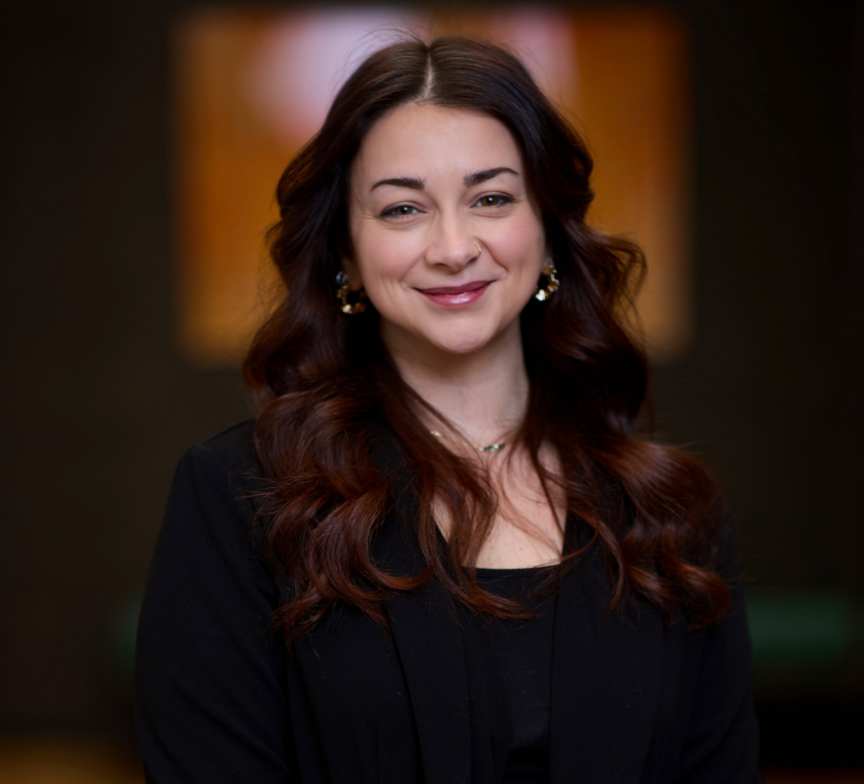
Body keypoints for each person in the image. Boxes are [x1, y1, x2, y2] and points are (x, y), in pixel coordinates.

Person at [135, 35, 760, 783]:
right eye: (403, 209)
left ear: (547, 229)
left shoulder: (669, 511)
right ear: (346, 252)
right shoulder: (241, 498)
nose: (454, 246)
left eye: (491, 198)